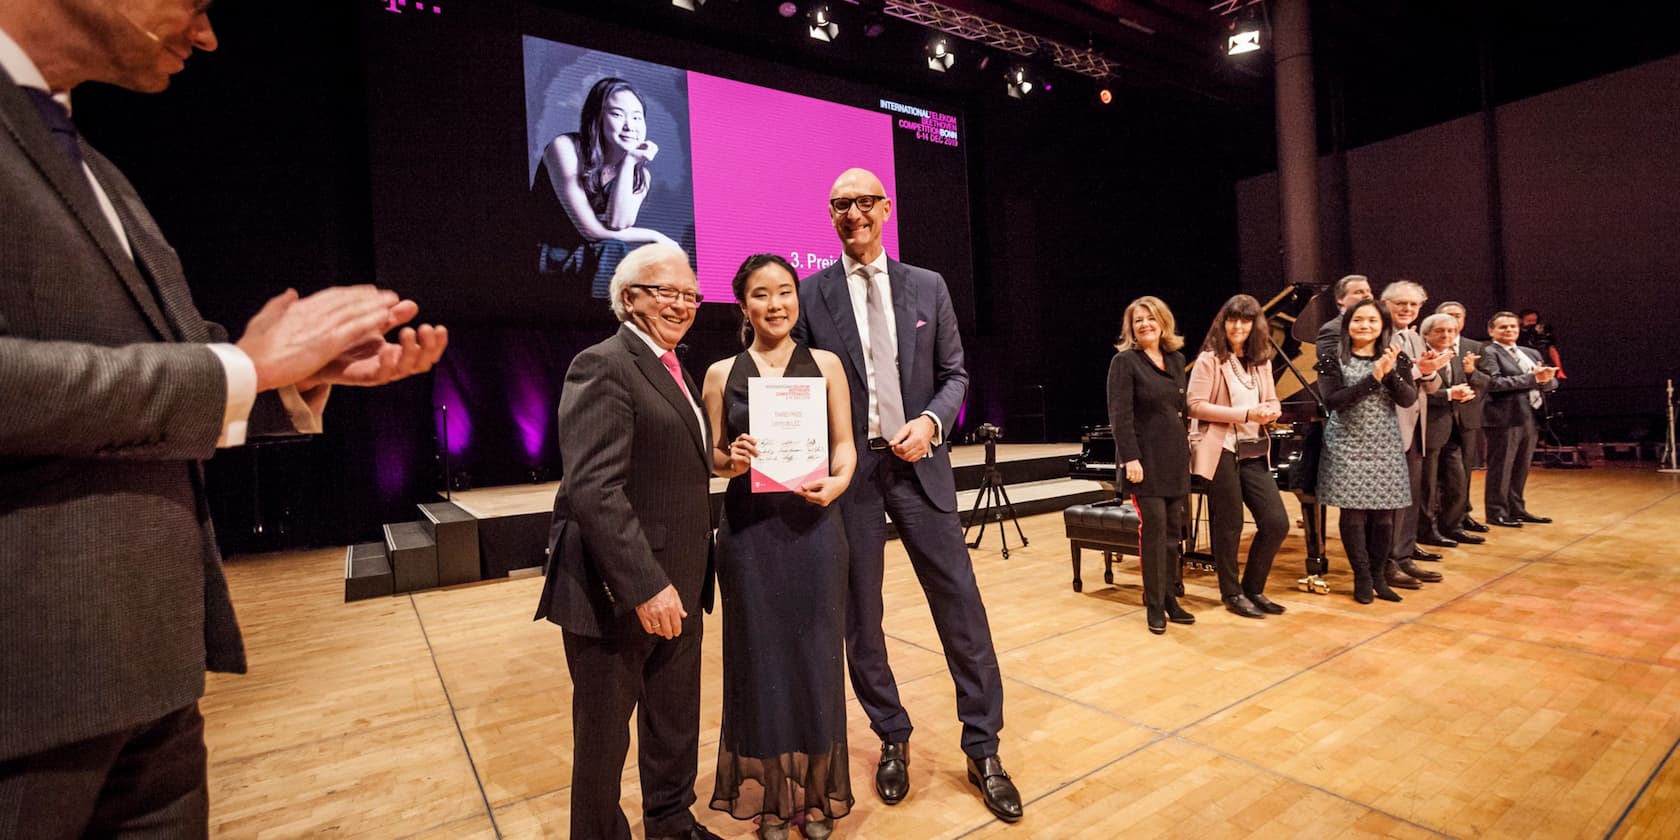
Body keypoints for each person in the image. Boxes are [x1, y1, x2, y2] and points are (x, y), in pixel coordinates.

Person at [0, 4, 448, 834]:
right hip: (28, 691)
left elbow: (154, 357)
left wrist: (295, 380)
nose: (207, 37)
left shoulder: (92, 163)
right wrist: (242, 367)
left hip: (153, 671)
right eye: (198, 5)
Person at [791, 168, 1021, 823]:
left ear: (886, 209)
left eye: (865, 201)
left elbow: (955, 375)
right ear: (830, 214)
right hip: (852, 478)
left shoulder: (928, 285)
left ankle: (983, 748)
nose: (853, 213)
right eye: (840, 204)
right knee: (861, 623)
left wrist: (930, 422)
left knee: (963, 614)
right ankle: (892, 734)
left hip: (921, 468)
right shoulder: (810, 294)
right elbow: (799, 385)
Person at [531, 243, 721, 840]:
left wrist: (725, 461)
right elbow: (593, 490)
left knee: (673, 720)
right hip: (618, 593)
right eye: (667, 291)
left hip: (682, 578)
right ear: (629, 297)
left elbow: (665, 467)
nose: (683, 303)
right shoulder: (603, 363)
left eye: (690, 293)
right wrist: (645, 586)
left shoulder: (673, 368)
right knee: (604, 740)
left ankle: (669, 822)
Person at [703, 254, 856, 840]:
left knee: (816, 658)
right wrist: (730, 460)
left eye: (785, 292)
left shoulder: (826, 365)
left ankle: (816, 795)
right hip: (748, 535)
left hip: (816, 531)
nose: (776, 304)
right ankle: (772, 797)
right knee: (759, 661)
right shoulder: (720, 373)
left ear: (797, 298)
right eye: (762, 295)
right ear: (743, 305)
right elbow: (713, 457)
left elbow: (845, 446)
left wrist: (838, 483)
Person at [1186, 294, 1290, 619]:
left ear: (1255, 324)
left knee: (1276, 523)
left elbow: (1272, 400)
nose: (1239, 326)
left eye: (1246, 320)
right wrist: (1246, 413)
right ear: (1223, 321)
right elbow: (1195, 405)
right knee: (1228, 525)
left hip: (1254, 450)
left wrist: (1272, 411)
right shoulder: (1209, 359)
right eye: (1233, 319)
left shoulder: (1261, 361)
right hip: (1222, 450)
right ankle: (1231, 593)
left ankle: (1254, 588)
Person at [532, 76, 676, 298]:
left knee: (615, 250)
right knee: (614, 250)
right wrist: (656, 237)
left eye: (637, 117)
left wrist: (629, 162)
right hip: (547, 253)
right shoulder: (565, 148)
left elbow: (618, 224)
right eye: (617, 114)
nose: (630, 126)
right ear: (597, 117)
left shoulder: (640, 175)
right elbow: (589, 230)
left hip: (593, 256)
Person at [1315, 299, 1418, 604]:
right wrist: (1372, 378)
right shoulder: (1332, 356)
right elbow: (1333, 400)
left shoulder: (1396, 357)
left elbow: (1408, 399)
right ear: (1348, 324)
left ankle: (1378, 577)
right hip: (1346, 442)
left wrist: (1388, 374)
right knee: (1353, 514)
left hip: (1384, 443)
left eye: (1373, 321)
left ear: (1383, 326)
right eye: (1358, 320)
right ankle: (1361, 577)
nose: (1365, 326)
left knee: (1385, 517)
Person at [1108, 296, 1194, 634]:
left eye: (1150, 318)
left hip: (1174, 458)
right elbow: (1120, 416)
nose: (1145, 324)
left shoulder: (1176, 359)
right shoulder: (1125, 362)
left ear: (1163, 322)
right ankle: (1154, 603)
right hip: (1143, 462)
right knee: (1155, 531)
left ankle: (1171, 598)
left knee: (1174, 532)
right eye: (1138, 320)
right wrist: (1131, 458)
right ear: (1131, 327)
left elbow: (1180, 410)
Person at [1377, 281, 1449, 590]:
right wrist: (1420, 372)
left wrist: (1430, 371)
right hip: (1389, 428)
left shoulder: (1416, 338)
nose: (1407, 309)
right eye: (1401, 304)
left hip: (1416, 429)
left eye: (1414, 305)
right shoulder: (1379, 337)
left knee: (1409, 499)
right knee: (1390, 503)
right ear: (1385, 304)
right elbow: (1383, 384)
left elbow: (1432, 387)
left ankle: (1404, 556)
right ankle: (1386, 563)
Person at [1478, 311, 1558, 528]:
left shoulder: (1529, 352)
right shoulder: (1488, 352)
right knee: (1501, 467)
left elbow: (1550, 383)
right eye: (1503, 327)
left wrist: (1546, 380)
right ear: (1491, 331)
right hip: (1504, 417)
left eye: (1513, 326)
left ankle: (1517, 508)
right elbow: (1493, 384)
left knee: (1521, 467)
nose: (1509, 330)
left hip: (1530, 416)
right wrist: (1533, 378)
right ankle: (1497, 512)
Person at [1418, 313, 1488, 547]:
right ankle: (1427, 531)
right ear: (1426, 334)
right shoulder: (1420, 356)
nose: (1447, 335)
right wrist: (1450, 395)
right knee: (1427, 486)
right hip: (1428, 429)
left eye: (1451, 331)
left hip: (1455, 428)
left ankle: (1454, 526)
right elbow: (1417, 393)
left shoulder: (1456, 356)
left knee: (1457, 482)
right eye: (1440, 331)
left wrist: (1464, 393)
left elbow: (1463, 386)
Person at [1435, 301, 1490, 520]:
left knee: (1464, 470)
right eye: (1446, 316)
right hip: (1437, 416)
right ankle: (1439, 516)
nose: (1452, 320)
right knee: (1439, 472)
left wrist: (1471, 373)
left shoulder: (1475, 347)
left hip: (1467, 417)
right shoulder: (1427, 345)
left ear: (1464, 319)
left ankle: (1462, 515)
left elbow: (1487, 382)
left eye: (1457, 316)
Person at [1518, 309, 1565, 379]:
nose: (1532, 323)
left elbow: (1552, 351)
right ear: (1520, 320)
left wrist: (1559, 370)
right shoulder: (1516, 334)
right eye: (1529, 321)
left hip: (1541, 365)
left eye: (1534, 321)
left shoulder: (1542, 334)